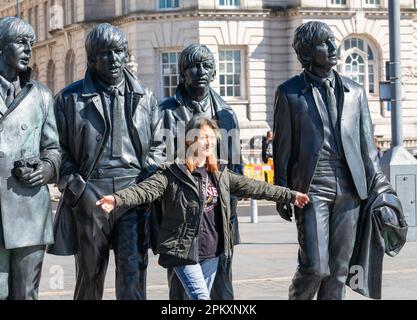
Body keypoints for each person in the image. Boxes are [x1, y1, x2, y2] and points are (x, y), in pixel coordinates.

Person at [97, 115, 309, 300]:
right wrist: (116, 199)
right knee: (201, 297)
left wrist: (291, 196)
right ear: (191, 139)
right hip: (184, 251)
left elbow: (256, 187)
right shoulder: (172, 173)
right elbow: (144, 190)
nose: (208, 142)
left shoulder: (220, 173)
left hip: (212, 251)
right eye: (203, 137)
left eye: (211, 137)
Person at [273, 21, 395, 300]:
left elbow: (368, 150)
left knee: (340, 269)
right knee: (315, 266)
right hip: (311, 187)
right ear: (306, 52)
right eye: (323, 43)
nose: (332, 47)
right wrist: (282, 191)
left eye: (333, 41)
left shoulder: (356, 92)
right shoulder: (289, 93)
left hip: (350, 188)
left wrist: (381, 191)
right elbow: (282, 147)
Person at [47, 23, 165, 300]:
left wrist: (146, 185)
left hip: (133, 193)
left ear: (126, 54)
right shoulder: (68, 99)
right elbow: (56, 149)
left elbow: (158, 147)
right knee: (90, 276)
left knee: (133, 273)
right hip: (91, 192)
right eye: (105, 53)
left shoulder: (146, 98)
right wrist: (76, 186)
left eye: (119, 52)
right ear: (91, 59)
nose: (113, 59)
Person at [157, 44, 242, 300]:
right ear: (182, 73)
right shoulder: (165, 113)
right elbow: (159, 162)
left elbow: (235, 166)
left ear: (215, 71)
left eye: (206, 66)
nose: (200, 71)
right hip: (183, 218)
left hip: (220, 217)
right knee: (183, 290)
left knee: (222, 289)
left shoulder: (227, 113)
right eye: (193, 66)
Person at [0, 17, 60, 300]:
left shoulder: (41, 96)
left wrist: (47, 169)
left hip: (28, 210)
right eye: (20, 43)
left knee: (25, 295)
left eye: (31, 44)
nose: (28, 49)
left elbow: (54, 149)